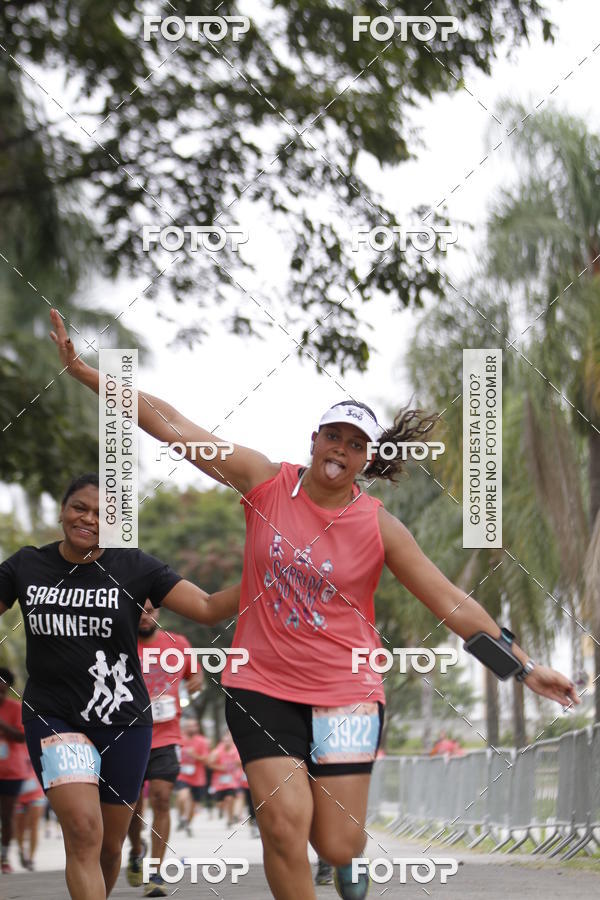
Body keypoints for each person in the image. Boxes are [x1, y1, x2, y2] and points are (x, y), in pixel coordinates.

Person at [50, 308, 580, 900]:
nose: (341, 450)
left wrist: (525, 668)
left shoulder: (380, 526)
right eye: (333, 436)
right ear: (315, 439)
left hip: (348, 694)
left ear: (364, 460)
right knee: (282, 826)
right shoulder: (262, 480)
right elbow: (174, 424)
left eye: (356, 445)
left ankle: (349, 864)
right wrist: (86, 373)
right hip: (261, 687)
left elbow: (451, 604)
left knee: (337, 844)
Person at [0, 470, 240, 900]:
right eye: (79, 507)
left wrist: (269, 575)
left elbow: (206, 607)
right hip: (54, 717)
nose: (88, 519)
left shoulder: (136, 568)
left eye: (101, 513)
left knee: (110, 848)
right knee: (83, 831)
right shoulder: (26, 565)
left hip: (124, 722)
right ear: (62, 510)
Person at [126, 601, 203, 898]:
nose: (145, 617)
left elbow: (194, 675)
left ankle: (155, 872)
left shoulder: (178, 644)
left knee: (161, 799)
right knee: (133, 807)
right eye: (139, 611)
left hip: (167, 737)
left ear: (159, 612)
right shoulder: (122, 643)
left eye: (150, 611)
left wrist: (196, 681)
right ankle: (136, 850)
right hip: (130, 736)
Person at [0, 668, 27, 872]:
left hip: (11, 772)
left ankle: (4, 857)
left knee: (7, 816)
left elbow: (21, 737)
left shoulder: (16, 708)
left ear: (8, 688)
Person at [175, 717, 211, 835]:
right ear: (184, 727)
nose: (191, 728)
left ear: (197, 728)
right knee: (183, 797)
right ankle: (181, 817)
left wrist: (194, 755)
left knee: (193, 805)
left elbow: (206, 760)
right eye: (189, 725)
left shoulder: (202, 741)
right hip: (182, 775)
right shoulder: (179, 739)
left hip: (198, 778)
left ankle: (187, 823)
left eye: (193, 725)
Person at [14, 747, 46, 870]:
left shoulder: (34, 742)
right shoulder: (12, 743)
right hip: (18, 795)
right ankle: (22, 850)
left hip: (36, 793)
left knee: (34, 825)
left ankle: (31, 859)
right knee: (19, 827)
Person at [208, 731, 241, 828]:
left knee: (230, 799)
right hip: (219, 782)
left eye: (229, 740)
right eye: (225, 740)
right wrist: (220, 767)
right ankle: (221, 809)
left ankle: (230, 820)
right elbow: (209, 763)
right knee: (220, 803)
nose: (227, 742)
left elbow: (239, 762)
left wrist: (236, 762)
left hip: (232, 781)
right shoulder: (217, 751)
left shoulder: (235, 750)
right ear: (223, 740)